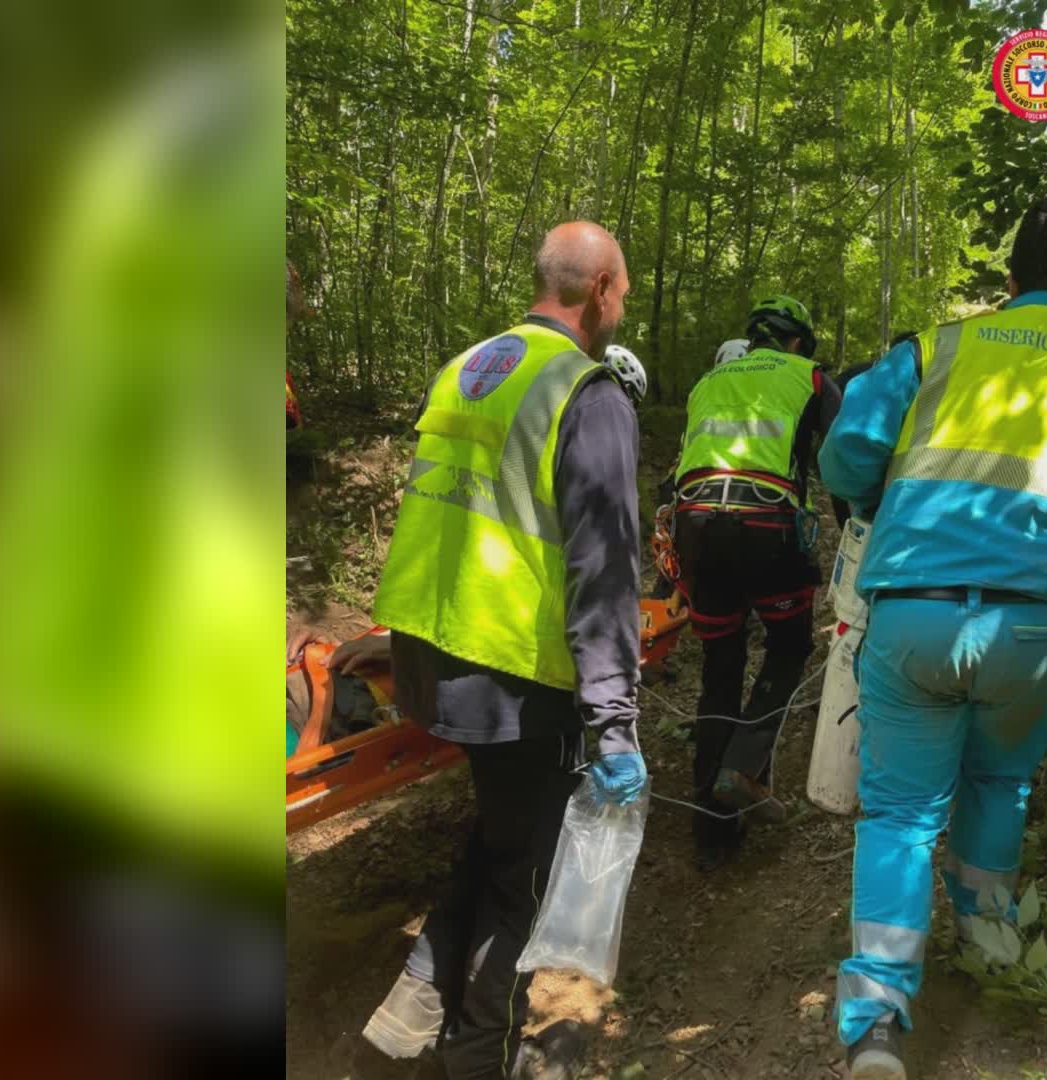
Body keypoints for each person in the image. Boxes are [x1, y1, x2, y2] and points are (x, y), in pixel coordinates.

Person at [343, 221, 645, 1080]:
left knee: (504, 828)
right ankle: (474, 1055)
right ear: (598, 290)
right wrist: (614, 718)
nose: (623, 304)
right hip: (512, 664)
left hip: (430, 647)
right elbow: (604, 566)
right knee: (531, 872)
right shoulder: (586, 392)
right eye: (622, 289)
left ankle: (415, 1001)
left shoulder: (472, 364)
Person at [820, 194, 1047, 1080]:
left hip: (914, 612)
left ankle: (877, 1025)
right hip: (1039, 626)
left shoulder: (932, 350)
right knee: (1002, 781)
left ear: (1009, 280)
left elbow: (847, 453)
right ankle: (988, 945)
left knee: (900, 814)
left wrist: (876, 502)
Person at [669, 294, 841, 870]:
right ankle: (742, 767)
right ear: (797, 342)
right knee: (790, 644)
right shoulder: (811, 378)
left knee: (721, 663)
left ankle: (712, 832)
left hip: (695, 524)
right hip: (765, 523)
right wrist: (853, 531)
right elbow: (841, 464)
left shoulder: (708, 382)